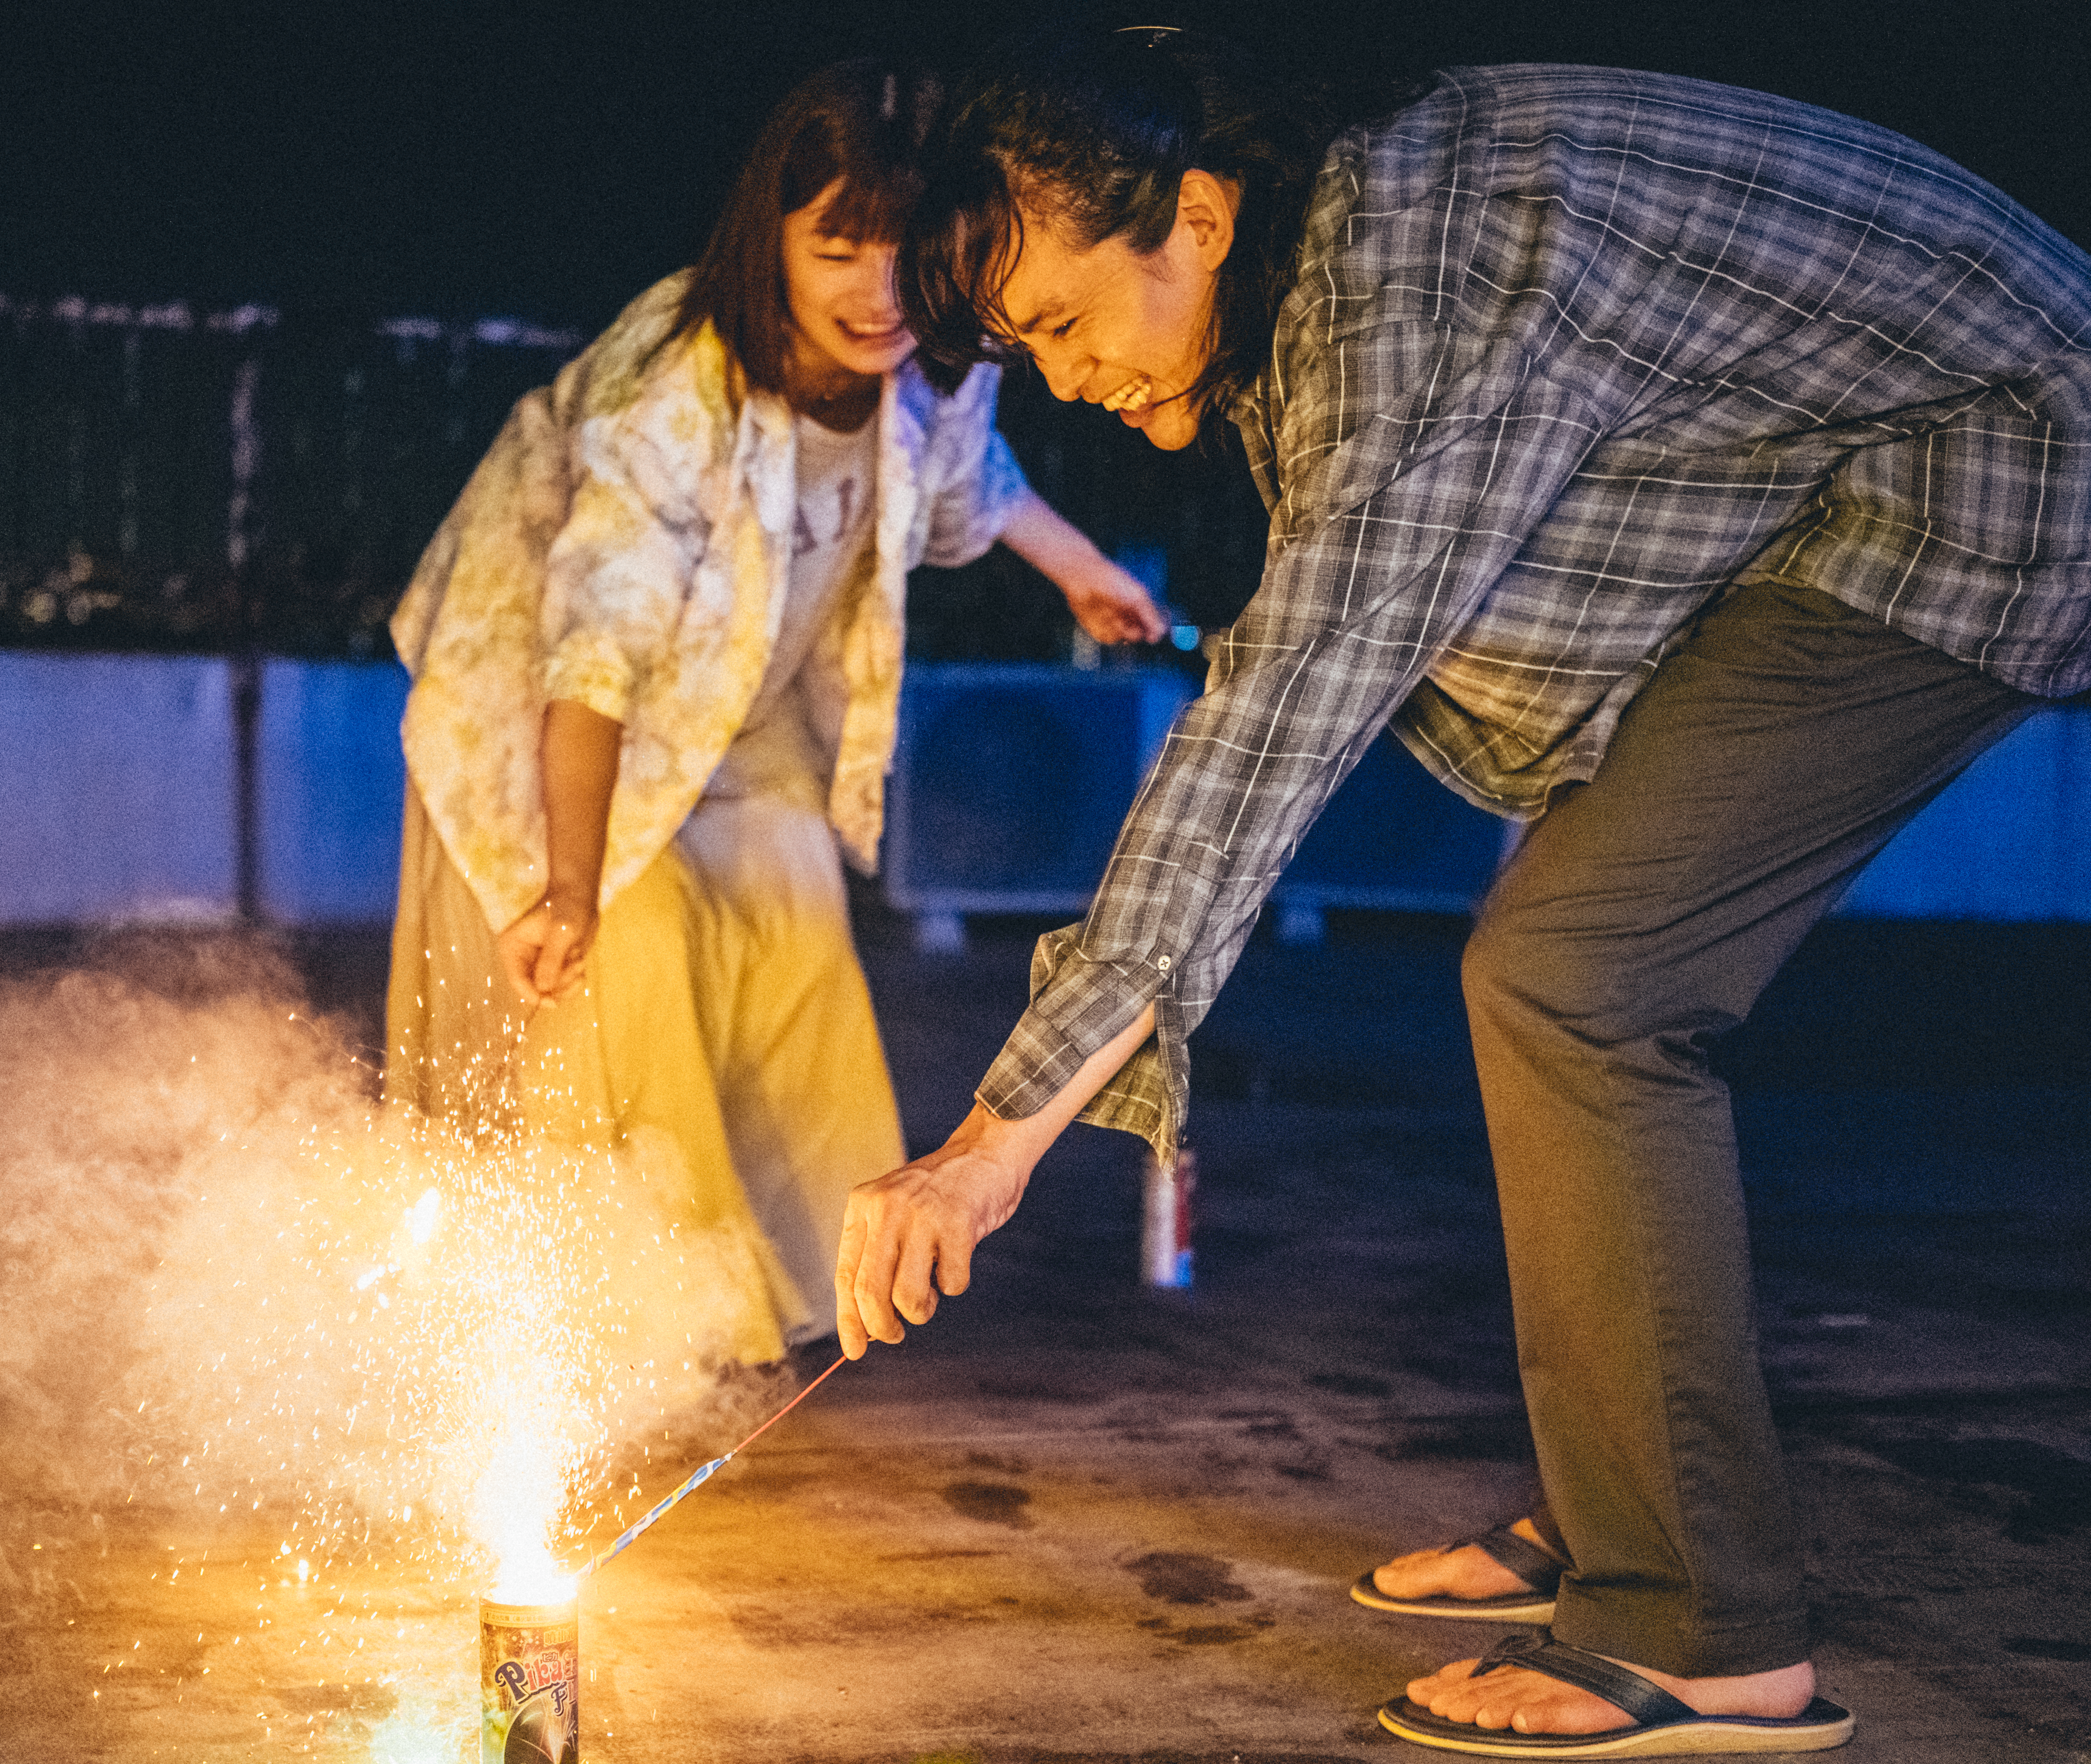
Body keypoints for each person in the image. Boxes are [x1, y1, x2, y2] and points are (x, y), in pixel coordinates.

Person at [839, 22, 2089, 1757]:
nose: (1064, 381)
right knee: (1559, 957)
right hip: (1817, 491)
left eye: (1058, 323)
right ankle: (1620, 1505)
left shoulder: (1403, 282)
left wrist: (1002, 1126)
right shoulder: (1320, 278)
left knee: (1579, 979)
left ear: (1193, 217)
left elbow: (1286, 707)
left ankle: (1703, 1624)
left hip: (1994, 474)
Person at [387, 57, 1166, 1368]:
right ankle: (620, 1341)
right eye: (837, 248)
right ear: (775, 242)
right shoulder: (676, 394)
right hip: (557, 720)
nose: (877, 293)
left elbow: (974, 491)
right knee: (625, 956)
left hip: (739, 717)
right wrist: (570, 888)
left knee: (795, 924)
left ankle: (796, 1304)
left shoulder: (938, 366)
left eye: (908, 254)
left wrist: (1085, 571)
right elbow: (594, 663)